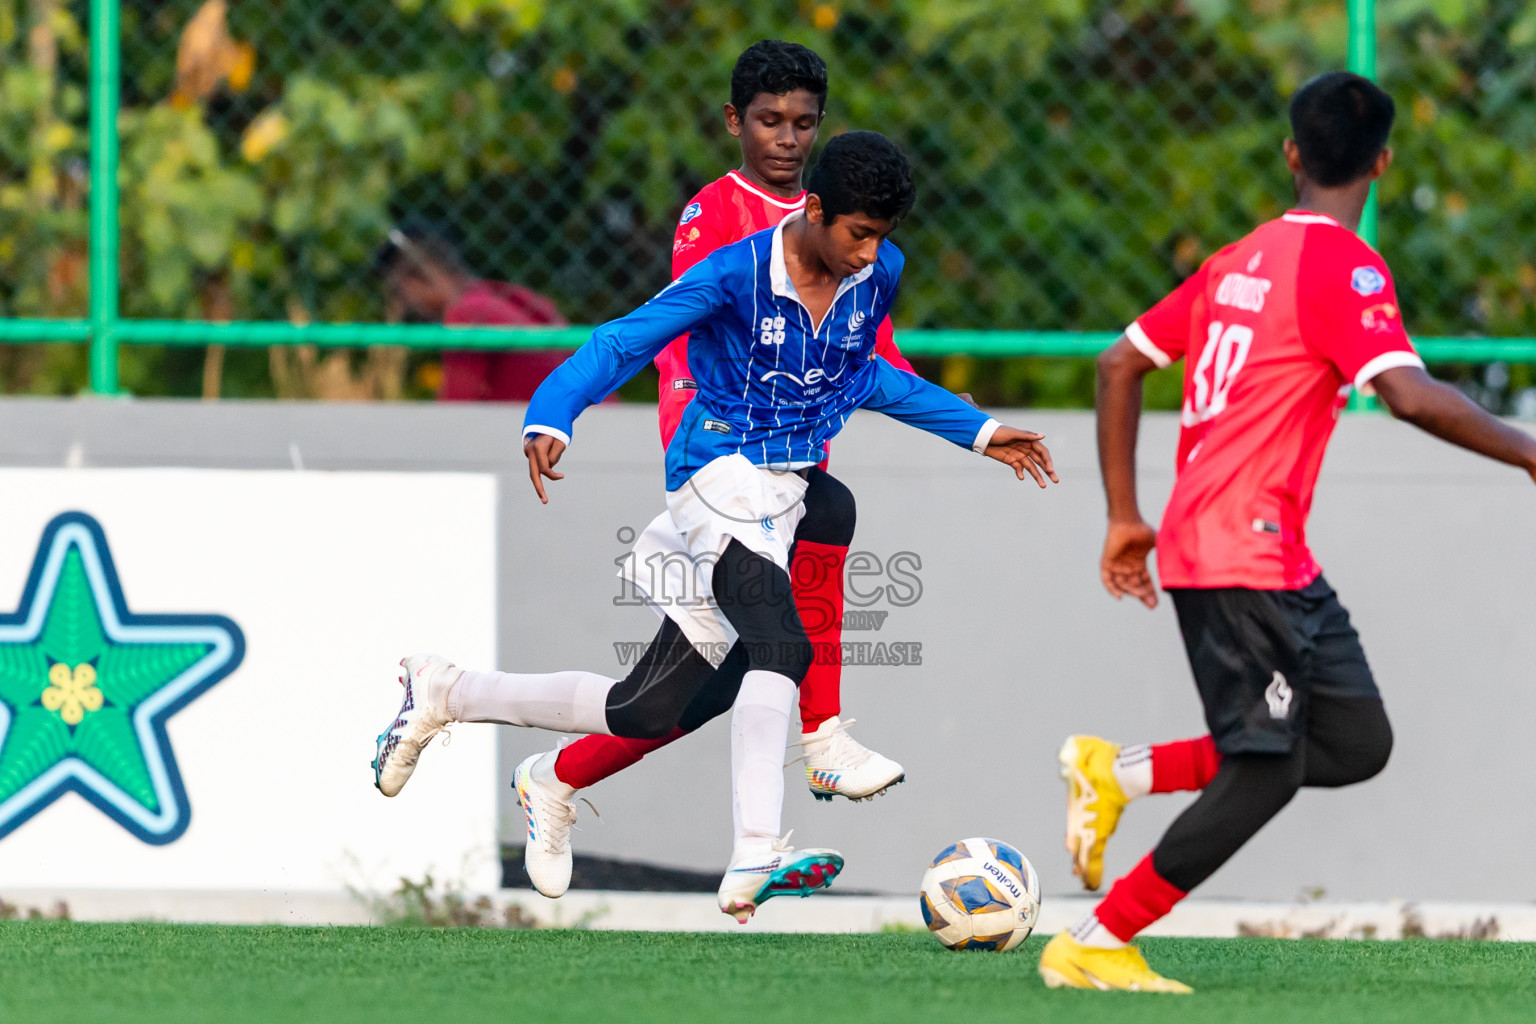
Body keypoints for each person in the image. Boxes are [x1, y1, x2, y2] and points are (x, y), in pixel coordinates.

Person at [373, 131, 1058, 923]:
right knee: (782, 645)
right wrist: (552, 414)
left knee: (644, 708)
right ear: (816, 209)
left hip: (784, 486)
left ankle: (450, 696)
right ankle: (759, 848)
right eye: (858, 234)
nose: (871, 254)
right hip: (713, 477)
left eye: (883, 237)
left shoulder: (879, 274)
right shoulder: (736, 275)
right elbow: (627, 339)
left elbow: (870, 375)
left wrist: (979, 430)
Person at [1038, 72, 1536, 993]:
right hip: (1236, 555)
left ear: (1292, 155)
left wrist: (1123, 517)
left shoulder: (1236, 260)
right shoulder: (1343, 267)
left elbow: (1119, 363)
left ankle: (1121, 773)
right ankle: (1098, 939)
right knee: (1262, 769)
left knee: (1354, 742)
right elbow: (1409, 395)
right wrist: (1529, 451)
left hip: (1265, 555)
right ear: (1383, 163)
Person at [505, 40, 920, 903]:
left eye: (803, 122)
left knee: (674, 697)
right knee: (800, 589)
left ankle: (537, 764)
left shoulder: (847, 230)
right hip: (722, 471)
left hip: (788, 470)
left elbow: (874, 352)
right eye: (769, 120)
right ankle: (814, 760)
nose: (787, 137)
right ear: (736, 123)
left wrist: (966, 423)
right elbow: (677, 329)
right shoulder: (713, 216)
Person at [377, 224, 568, 401]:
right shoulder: (501, 296)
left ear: (419, 275)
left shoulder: (465, 313)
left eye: (398, 290)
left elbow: (455, 409)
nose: (402, 305)